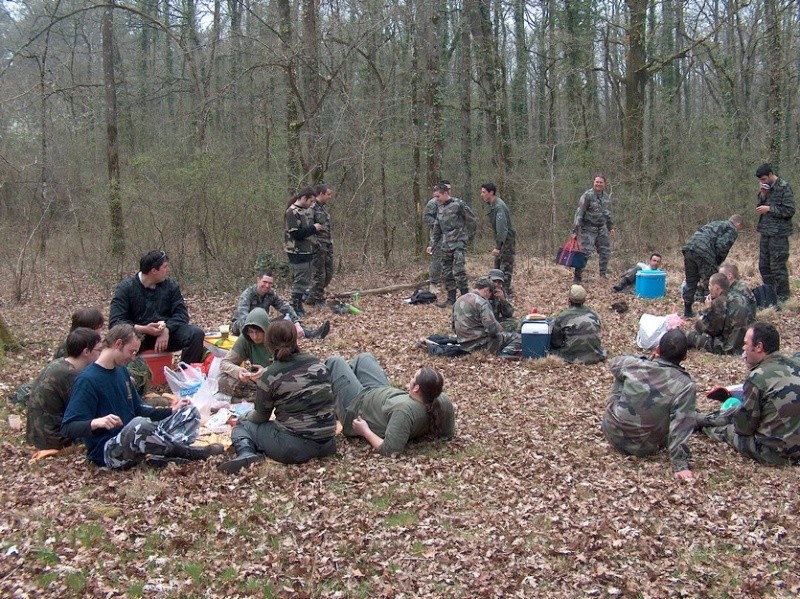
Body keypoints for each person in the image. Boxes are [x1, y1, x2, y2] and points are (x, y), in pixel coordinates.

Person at [61, 324, 224, 469]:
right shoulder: (87, 380)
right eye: (131, 352)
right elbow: (69, 427)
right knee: (139, 425)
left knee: (188, 411)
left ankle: (160, 454)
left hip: (135, 436)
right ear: (118, 344)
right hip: (109, 450)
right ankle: (189, 453)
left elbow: (138, 409)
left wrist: (171, 411)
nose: (132, 357)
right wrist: (95, 422)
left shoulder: (122, 372)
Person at [217, 320, 337, 474]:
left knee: (243, 425)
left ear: (269, 344)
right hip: (328, 442)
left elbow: (260, 416)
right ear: (295, 339)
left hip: (295, 448)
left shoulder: (271, 374)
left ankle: (246, 453)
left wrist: (244, 416)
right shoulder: (318, 364)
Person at [602, 329, 697, 480]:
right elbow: (680, 425)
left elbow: (615, 363)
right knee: (684, 411)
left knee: (622, 375)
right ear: (685, 356)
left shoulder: (635, 365)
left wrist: (645, 361)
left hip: (610, 430)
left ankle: (622, 418)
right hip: (643, 447)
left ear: (658, 349)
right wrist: (681, 465)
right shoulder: (686, 385)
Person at [701, 322, 800, 465]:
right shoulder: (795, 365)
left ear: (758, 347)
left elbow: (743, 428)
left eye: (746, 344)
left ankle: (699, 422)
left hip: (777, 453)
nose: (743, 348)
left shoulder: (758, 376)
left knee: (727, 431)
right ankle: (703, 418)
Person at [325, 352, 456, 456]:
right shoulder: (440, 401)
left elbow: (389, 450)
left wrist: (365, 431)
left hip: (355, 405)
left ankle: (336, 402)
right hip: (378, 391)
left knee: (335, 362)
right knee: (364, 358)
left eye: (413, 378)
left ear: (416, 389)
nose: (411, 379)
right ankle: (340, 391)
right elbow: (447, 434)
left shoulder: (403, 412)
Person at [109, 250, 205, 365]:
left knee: (195, 334)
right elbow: (115, 323)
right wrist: (144, 329)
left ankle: (187, 376)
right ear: (153, 271)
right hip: (137, 335)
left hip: (167, 335)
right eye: (165, 267)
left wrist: (166, 329)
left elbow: (181, 314)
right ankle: (125, 377)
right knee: (119, 341)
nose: (168, 270)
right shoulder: (126, 288)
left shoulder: (170, 286)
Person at [26, 328, 102, 450]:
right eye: (99, 350)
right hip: (52, 439)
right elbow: (83, 412)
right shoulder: (70, 375)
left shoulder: (60, 364)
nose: (101, 354)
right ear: (86, 352)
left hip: (37, 434)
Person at [230, 271, 330, 339]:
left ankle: (312, 334)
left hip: (262, 325)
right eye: (264, 282)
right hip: (242, 326)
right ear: (258, 280)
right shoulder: (247, 295)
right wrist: (251, 337)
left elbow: (285, 308)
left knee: (286, 319)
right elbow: (243, 318)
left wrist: (296, 323)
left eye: (270, 283)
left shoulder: (270, 294)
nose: (267, 285)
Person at [681, 214, 743, 317]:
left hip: (689, 249)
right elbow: (722, 247)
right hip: (704, 253)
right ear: (738, 224)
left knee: (691, 280)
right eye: (740, 228)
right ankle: (711, 312)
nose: (739, 230)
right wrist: (718, 262)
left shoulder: (716, 223)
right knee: (711, 282)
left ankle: (687, 310)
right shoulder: (732, 229)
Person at [427, 182, 477, 307]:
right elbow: (437, 229)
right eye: (435, 197)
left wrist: (467, 238)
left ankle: (466, 298)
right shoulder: (439, 208)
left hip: (458, 243)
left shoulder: (458, 204)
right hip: (445, 245)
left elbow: (472, 221)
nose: (436, 199)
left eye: (438, 196)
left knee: (459, 271)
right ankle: (451, 299)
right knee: (447, 273)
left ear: (445, 193)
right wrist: (432, 244)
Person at [755, 163, 795, 302]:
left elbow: (789, 210)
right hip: (765, 233)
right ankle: (770, 295)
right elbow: (759, 206)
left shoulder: (784, 187)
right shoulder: (765, 189)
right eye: (761, 180)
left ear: (771, 174)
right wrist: (763, 195)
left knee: (778, 267)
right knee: (764, 266)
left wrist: (770, 209)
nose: (763, 182)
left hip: (779, 234)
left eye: (764, 179)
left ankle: (783, 297)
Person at [452, 278, 521, 356]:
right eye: (490, 293)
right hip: (481, 346)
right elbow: (493, 330)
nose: (490, 297)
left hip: (463, 345)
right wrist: (502, 332)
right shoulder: (482, 302)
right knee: (518, 337)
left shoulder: (458, 300)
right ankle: (504, 355)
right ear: (487, 290)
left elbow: (454, 327)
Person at [687, 273, 752, 355]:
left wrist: (708, 310)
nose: (709, 288)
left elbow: (710, 330)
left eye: (710, 285)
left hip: (728, 347)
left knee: (688, 336)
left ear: (716, 287)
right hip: (745, 343)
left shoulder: (719, 301)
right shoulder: (739, 296)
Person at [284, 187, 322, 317]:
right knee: (300, 280)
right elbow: (296, 233)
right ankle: (295, 306)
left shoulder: (305, 211)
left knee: (305, 279)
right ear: (304, 198)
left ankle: (299, 304)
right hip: (296, 251)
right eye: (310, 201)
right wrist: (313, 229)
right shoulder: (291, 212)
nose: (311, 204)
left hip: (306, 250)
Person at [572, 174, 615, 283]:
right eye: (597, 182)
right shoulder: (587, 195)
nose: (598, 184)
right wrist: (575, 230)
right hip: (588, 228)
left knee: (605, 252)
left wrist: (611, 228)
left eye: (601, 182)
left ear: (604, 184)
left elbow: (607, 214)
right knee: (585, 253)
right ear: (593, 182)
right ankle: (577, 276)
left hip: (601, 228)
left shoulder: (605, 197)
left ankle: (603, 275)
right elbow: (579, 213)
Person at [550, 285, 607, 364]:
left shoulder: (563, 316)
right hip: (596, 355)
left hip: (572, 357)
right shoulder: (593, 313)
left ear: (569, 299)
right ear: (584, 299)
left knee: (551, 351)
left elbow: (556, 343)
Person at [481, 182, 517, 293]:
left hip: (506, 240)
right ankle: (496, 290)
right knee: (497, 266)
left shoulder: (499, 206)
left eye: (484, 192)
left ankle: (505, 292)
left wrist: (498, 246)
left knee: (505, 267)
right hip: (502, 240)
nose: (481, 194)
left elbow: (502, 229)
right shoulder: (492, 205)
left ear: (491, 193)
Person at [306, 184, 334, 309]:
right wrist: (315, 243)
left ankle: (311, 297)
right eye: (328, 194)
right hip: (318, 246)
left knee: (329, 273)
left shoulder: (323, 209)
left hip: (327, 244)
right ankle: (318, 300)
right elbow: (308, 229)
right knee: (319, 274)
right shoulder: (312, 208)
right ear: (321, 194)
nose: (330, 197)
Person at [423, 181, 449, 295]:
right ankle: (433, 283)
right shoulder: (433, 203)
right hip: (437, 237)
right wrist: (437, 224)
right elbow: (426, 217)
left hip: (449, 237)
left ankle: (445, 282)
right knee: (437, 260)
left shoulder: (452, 203)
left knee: (448, 260)